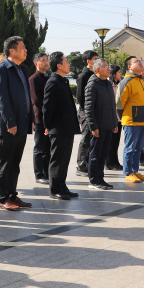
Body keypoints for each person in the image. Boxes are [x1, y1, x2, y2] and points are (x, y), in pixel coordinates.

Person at [0, 36, 34, 211]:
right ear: (12, 50)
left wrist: (31, 119)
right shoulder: (1, 69)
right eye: (22, 47)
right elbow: (1, 98)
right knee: (5, 163)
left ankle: (12, 195)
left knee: (15, 163)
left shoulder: (22, 68)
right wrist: (10, 121)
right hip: (9, 125)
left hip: (22, 123)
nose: (26, 50)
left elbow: (27, 96)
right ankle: (2, 198)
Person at [43, 52, 82, 197]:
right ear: (59, 65)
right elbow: (47, 107)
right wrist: (47, 126)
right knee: (57, 160)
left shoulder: (63, 81)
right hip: (58, 128)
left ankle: (62, 186)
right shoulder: (53, 82)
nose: (69, 64)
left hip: (67, 127)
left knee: (65, 159)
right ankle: (55, 190)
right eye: (66, 62)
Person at [84, 59, 118, 190]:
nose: (109, 69)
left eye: (108, 66)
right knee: (95, 154)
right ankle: (94, 180)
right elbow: (89, 108)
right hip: (98, 127)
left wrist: (114, 122)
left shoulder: (108, 84)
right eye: (105, 67)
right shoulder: (92, 85)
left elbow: (112, 106)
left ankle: (100, 179)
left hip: (108, 125)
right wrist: (93, 126)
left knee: (103, 154)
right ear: (97, 70)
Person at [117, 57, 144, 183]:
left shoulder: (142, 81)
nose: (140, 63)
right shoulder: (126, 81)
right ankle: (128, 172)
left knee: (139, 148)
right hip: (132, 121)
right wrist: (124, 117)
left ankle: (135, 171)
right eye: (137, 62)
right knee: (130, 148)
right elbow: (119, 103)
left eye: (141, 61)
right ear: (129, 67)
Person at [74, 49, 100, 176]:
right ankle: (81, 166)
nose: (97, 61)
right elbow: (80, 97)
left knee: (93, 138)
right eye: (95, 59)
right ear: (88, 61)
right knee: (86, 137)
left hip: (95, 111)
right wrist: (87, 111)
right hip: (85, 111)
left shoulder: (96, 74)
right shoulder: (83, 76)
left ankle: (90, 164)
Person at [29, 52, 51, 184]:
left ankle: (47, 173)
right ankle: (39, 174)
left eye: (47, 60)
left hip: (50, 118)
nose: (46, 62)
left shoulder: (49, 78)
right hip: (40, 118)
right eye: (43, 60)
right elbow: (37, 100)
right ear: (36, 63)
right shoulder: (33, 79)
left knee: (48, 148)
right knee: (39, 147)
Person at [105, 65, 124, 171]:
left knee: (116, 142)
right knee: (111, 142)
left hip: (119, 117)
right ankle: (109, 163)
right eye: (119, 72)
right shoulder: (108, 84)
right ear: (113, 74)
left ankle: (115, 161)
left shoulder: (120, 84)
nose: (120, 74)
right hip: (111, 117)